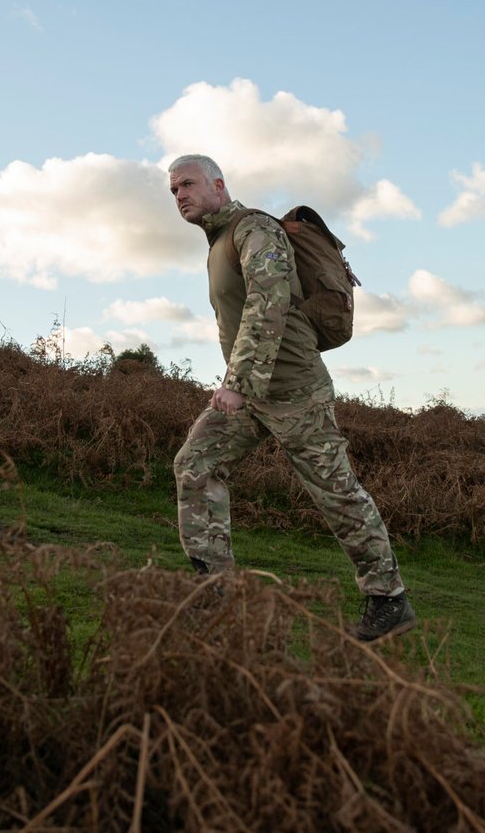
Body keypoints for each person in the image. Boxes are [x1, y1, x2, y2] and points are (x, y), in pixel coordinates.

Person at [166, 153, 416, 642]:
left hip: (296, 391)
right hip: (256, 392)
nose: (180, 195)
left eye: (188, 184)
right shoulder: (218, 240)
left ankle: (389, 600)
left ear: (218, 184)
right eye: (173, 190)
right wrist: (243, 386)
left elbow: (269, 303)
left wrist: (237, 383)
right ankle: (214, 594)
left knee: (337, 494)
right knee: (194, 464)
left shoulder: (253, 229)